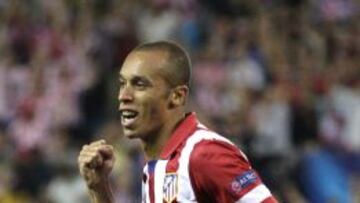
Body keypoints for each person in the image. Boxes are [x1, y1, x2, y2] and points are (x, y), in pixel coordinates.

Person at [78, 41, 278, 203]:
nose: (124, 95)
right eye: (122, 84)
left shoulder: (204, 154)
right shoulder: (155, 167)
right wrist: (99, 188)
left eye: (140, 84)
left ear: (177, 96)